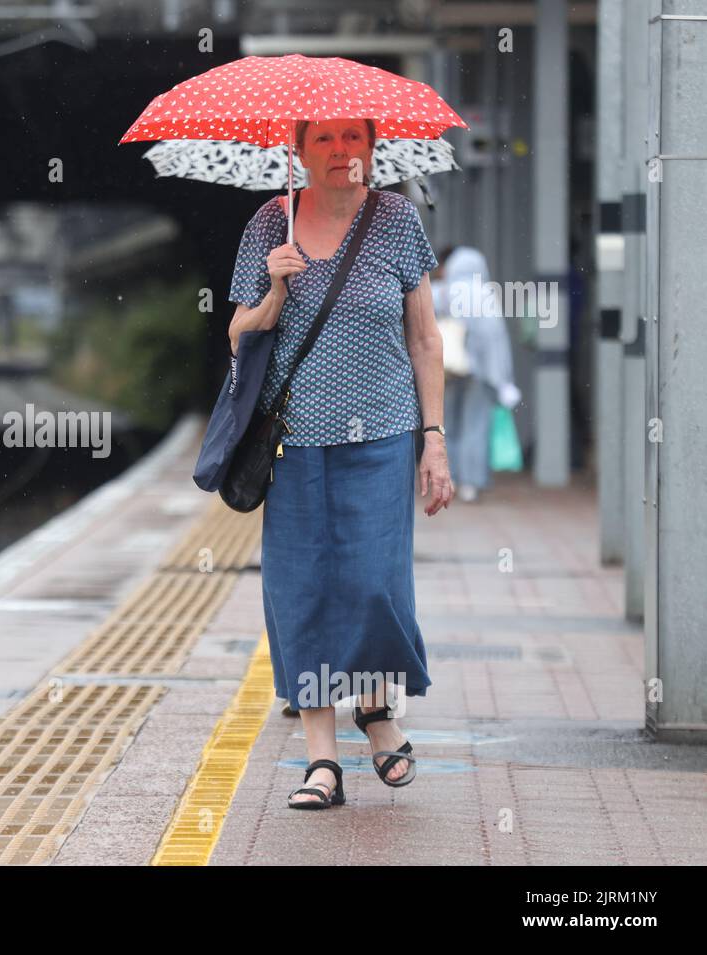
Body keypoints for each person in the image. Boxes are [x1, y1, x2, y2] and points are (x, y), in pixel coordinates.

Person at [226, 117, 454, 809]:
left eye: (352, 139)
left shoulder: (396, 221)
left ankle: (377, 712)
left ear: (372, 149)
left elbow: (424, 338)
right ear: (297, 151)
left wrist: (433, 439)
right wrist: (271, 293)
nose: (339, 152)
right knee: (304, 591)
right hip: (296, 442)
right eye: (323, 140)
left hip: (382, 436)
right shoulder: (271, 223)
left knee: (375, 583)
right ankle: (321, 759)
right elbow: (238, 339)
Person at [430, 246, 521, 502]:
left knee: (448, 425)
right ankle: (471, 482)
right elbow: (495, 339)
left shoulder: (439, 292)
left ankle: (452, 477)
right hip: (479, 371)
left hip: (446, 369)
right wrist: (501, 378)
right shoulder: (484, 295)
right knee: (475, 425)